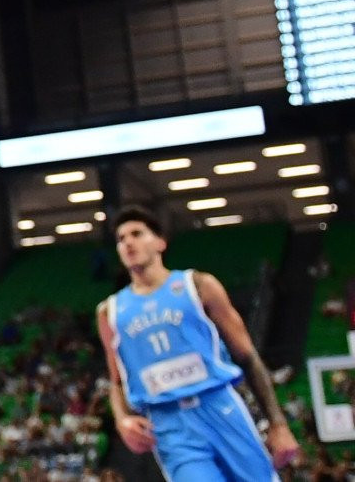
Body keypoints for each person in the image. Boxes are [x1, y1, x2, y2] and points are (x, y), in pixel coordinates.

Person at [97, 206, 298, 482]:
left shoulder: (198, 285)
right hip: (169, 425)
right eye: (121, 239)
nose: (128, 243)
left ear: (160, 242)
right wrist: (122, 419)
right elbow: (117, 381)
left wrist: (278, 424)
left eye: (136, 234)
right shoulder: (110, 311)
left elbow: (247, 356)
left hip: (219, 406)